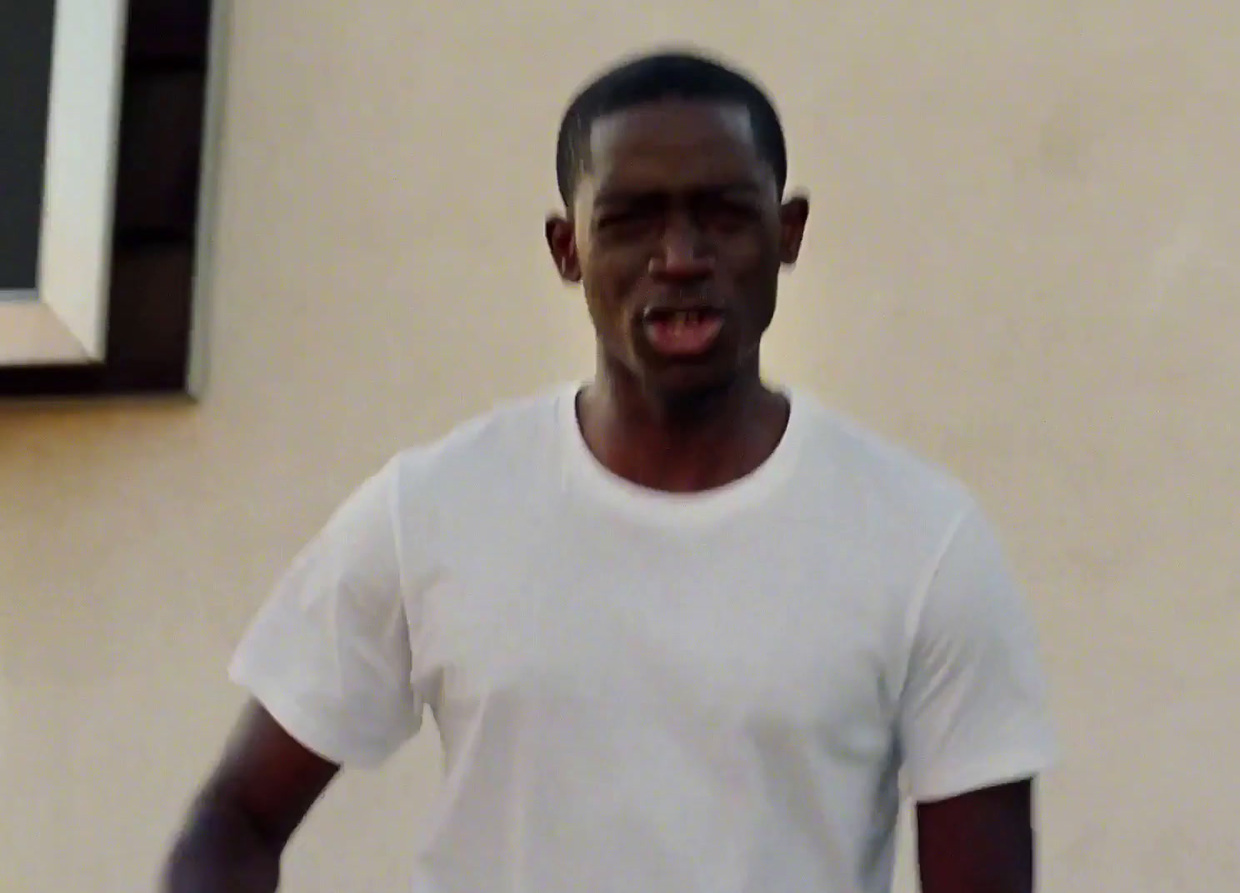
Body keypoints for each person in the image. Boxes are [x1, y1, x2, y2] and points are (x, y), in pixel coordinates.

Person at [162, 48, 1057, 893]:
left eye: (723, 214)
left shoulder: (920, 539)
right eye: (631, 220)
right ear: (567, 249)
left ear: (787, 234)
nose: (680, 258)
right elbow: (236, 819)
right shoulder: (430, 510)